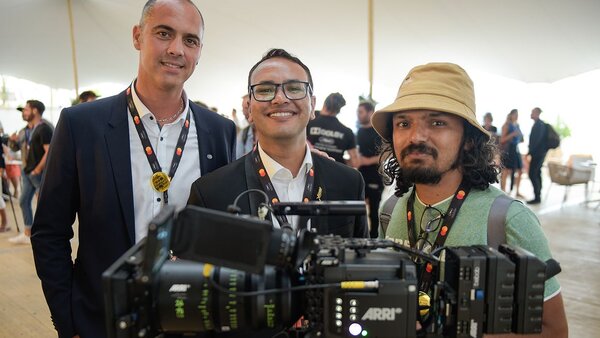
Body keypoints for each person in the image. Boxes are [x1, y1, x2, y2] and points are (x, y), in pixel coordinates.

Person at [31, 1, 236, 337]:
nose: (176, 49)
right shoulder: (82, 124)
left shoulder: (219, 131)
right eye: (164, 33)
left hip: (192, 321)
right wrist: (70, 321)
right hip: (104, 321)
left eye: (190, 40)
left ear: (199, 52)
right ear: (138, 36)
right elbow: (50, 233)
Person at [371, 62, 567, 337]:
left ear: (469, 140)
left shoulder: (507, 219)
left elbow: (554, 331)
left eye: (437, 122)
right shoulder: (391, 210)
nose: (416, 136)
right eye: (403, 123)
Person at [189, 48, 367, 240]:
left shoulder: (349, 183)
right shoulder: (211, 192)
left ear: (312, 105)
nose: (280, 98)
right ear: (248, 109)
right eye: (265, 90)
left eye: (294, 88)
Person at [8, 100, 53, 244]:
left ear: (35, 111)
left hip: (39, 172)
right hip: (27, 172)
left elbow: (49, 151)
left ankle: (49, 233)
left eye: (26, 110)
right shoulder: (24, 131)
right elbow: (15, 148)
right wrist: (12, 141)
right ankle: (28, 233)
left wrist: (38, 169)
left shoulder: (44, 128)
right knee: (24, 201)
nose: (23, 113)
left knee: (45, 203)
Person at [306, 92, 359, 167]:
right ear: (339, 110)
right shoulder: (347, 132)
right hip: (335, 173)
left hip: (310, 170)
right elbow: (355, 162)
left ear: (324, 104)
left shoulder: (307, 122)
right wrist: (338, 162)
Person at [356, 101, 384, 238]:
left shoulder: (378, 132)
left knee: (373, 212)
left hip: (375, 176)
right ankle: (360, 238)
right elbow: (358, 153)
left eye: (360, 112)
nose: (358, 115)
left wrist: (367, 161)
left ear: (370, 112)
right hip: (361, 176)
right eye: (358, 112)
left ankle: (374, 240)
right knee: (358, 209)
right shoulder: (360, 131)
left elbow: (385, 155)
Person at [500, 109, 524, 197]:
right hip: (508, 150)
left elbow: (521, 139)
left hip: (516, 150)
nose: (517, 116)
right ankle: (503, 192)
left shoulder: (517, 125)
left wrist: (520, 136)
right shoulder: (506, 125)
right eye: (515, 114)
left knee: (520, 170)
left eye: (518, 114)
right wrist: (512, 134)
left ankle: (517, 191)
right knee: (505, 171)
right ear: (511, 115)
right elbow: (502, 140)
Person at [527, 107, 548, 204]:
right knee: (537, 173)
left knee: (532, 173)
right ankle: (538, 195)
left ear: (537, 113)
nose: (531, 114)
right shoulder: (538, 124)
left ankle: (537, 196)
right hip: (539, 154)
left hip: (538, 154)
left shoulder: (539, 125)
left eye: (532, 112)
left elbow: (536, 141)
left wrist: (530, 152)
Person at [235, 94, 256, 158]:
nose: (244, 113)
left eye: (246, 108)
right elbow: (237, 160)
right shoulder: (243, 134)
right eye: (243, 108)